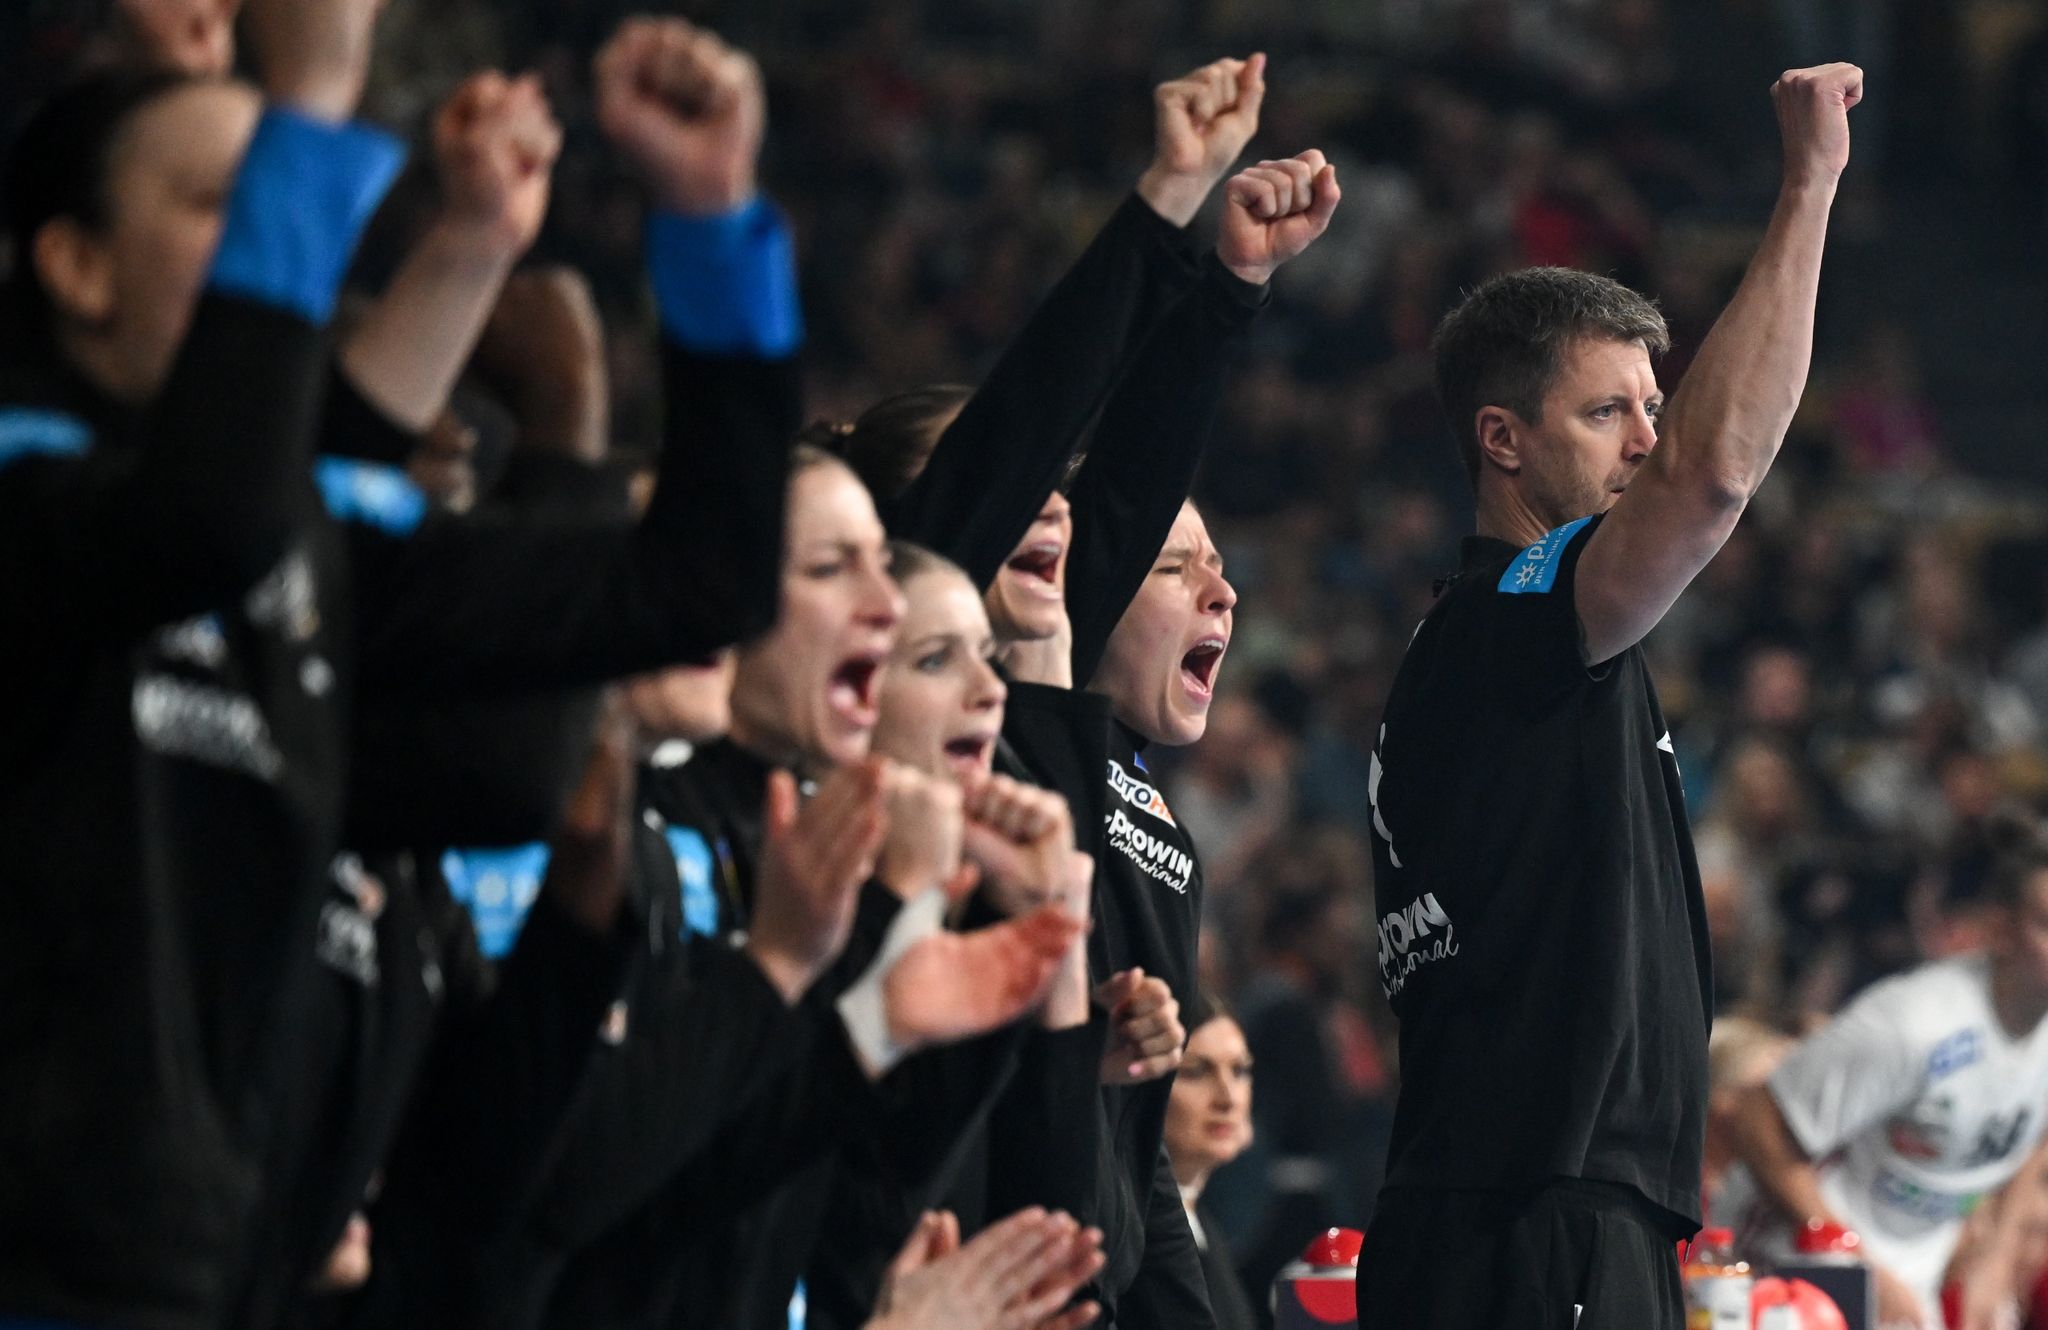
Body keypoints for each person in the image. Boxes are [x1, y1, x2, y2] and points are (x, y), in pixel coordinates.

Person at [1354, 63, 1864, 1329]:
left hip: (1543, 1213)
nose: (1645, 435)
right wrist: (1808, 185)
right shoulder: (1512, 614)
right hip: (1528, 1221)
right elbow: (1708, 478)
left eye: (1651, 403)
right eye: (1607, 410)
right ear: (1501, 439)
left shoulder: (1516, 636)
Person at [1722, 816, 2048, 1330]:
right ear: (2000, 930)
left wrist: (1997, 1257)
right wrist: (1851, 1261)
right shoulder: (1913, 1024)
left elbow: (2032, 1130)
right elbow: (1758, 1118)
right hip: (1791, 1264)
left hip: (1908, 1276)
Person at [1164, 999, 1260, 1330]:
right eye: (1195, 1071)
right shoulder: (1132, 1239)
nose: (1228, 1097)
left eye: (1240, 1071)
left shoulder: (1204, 1226)